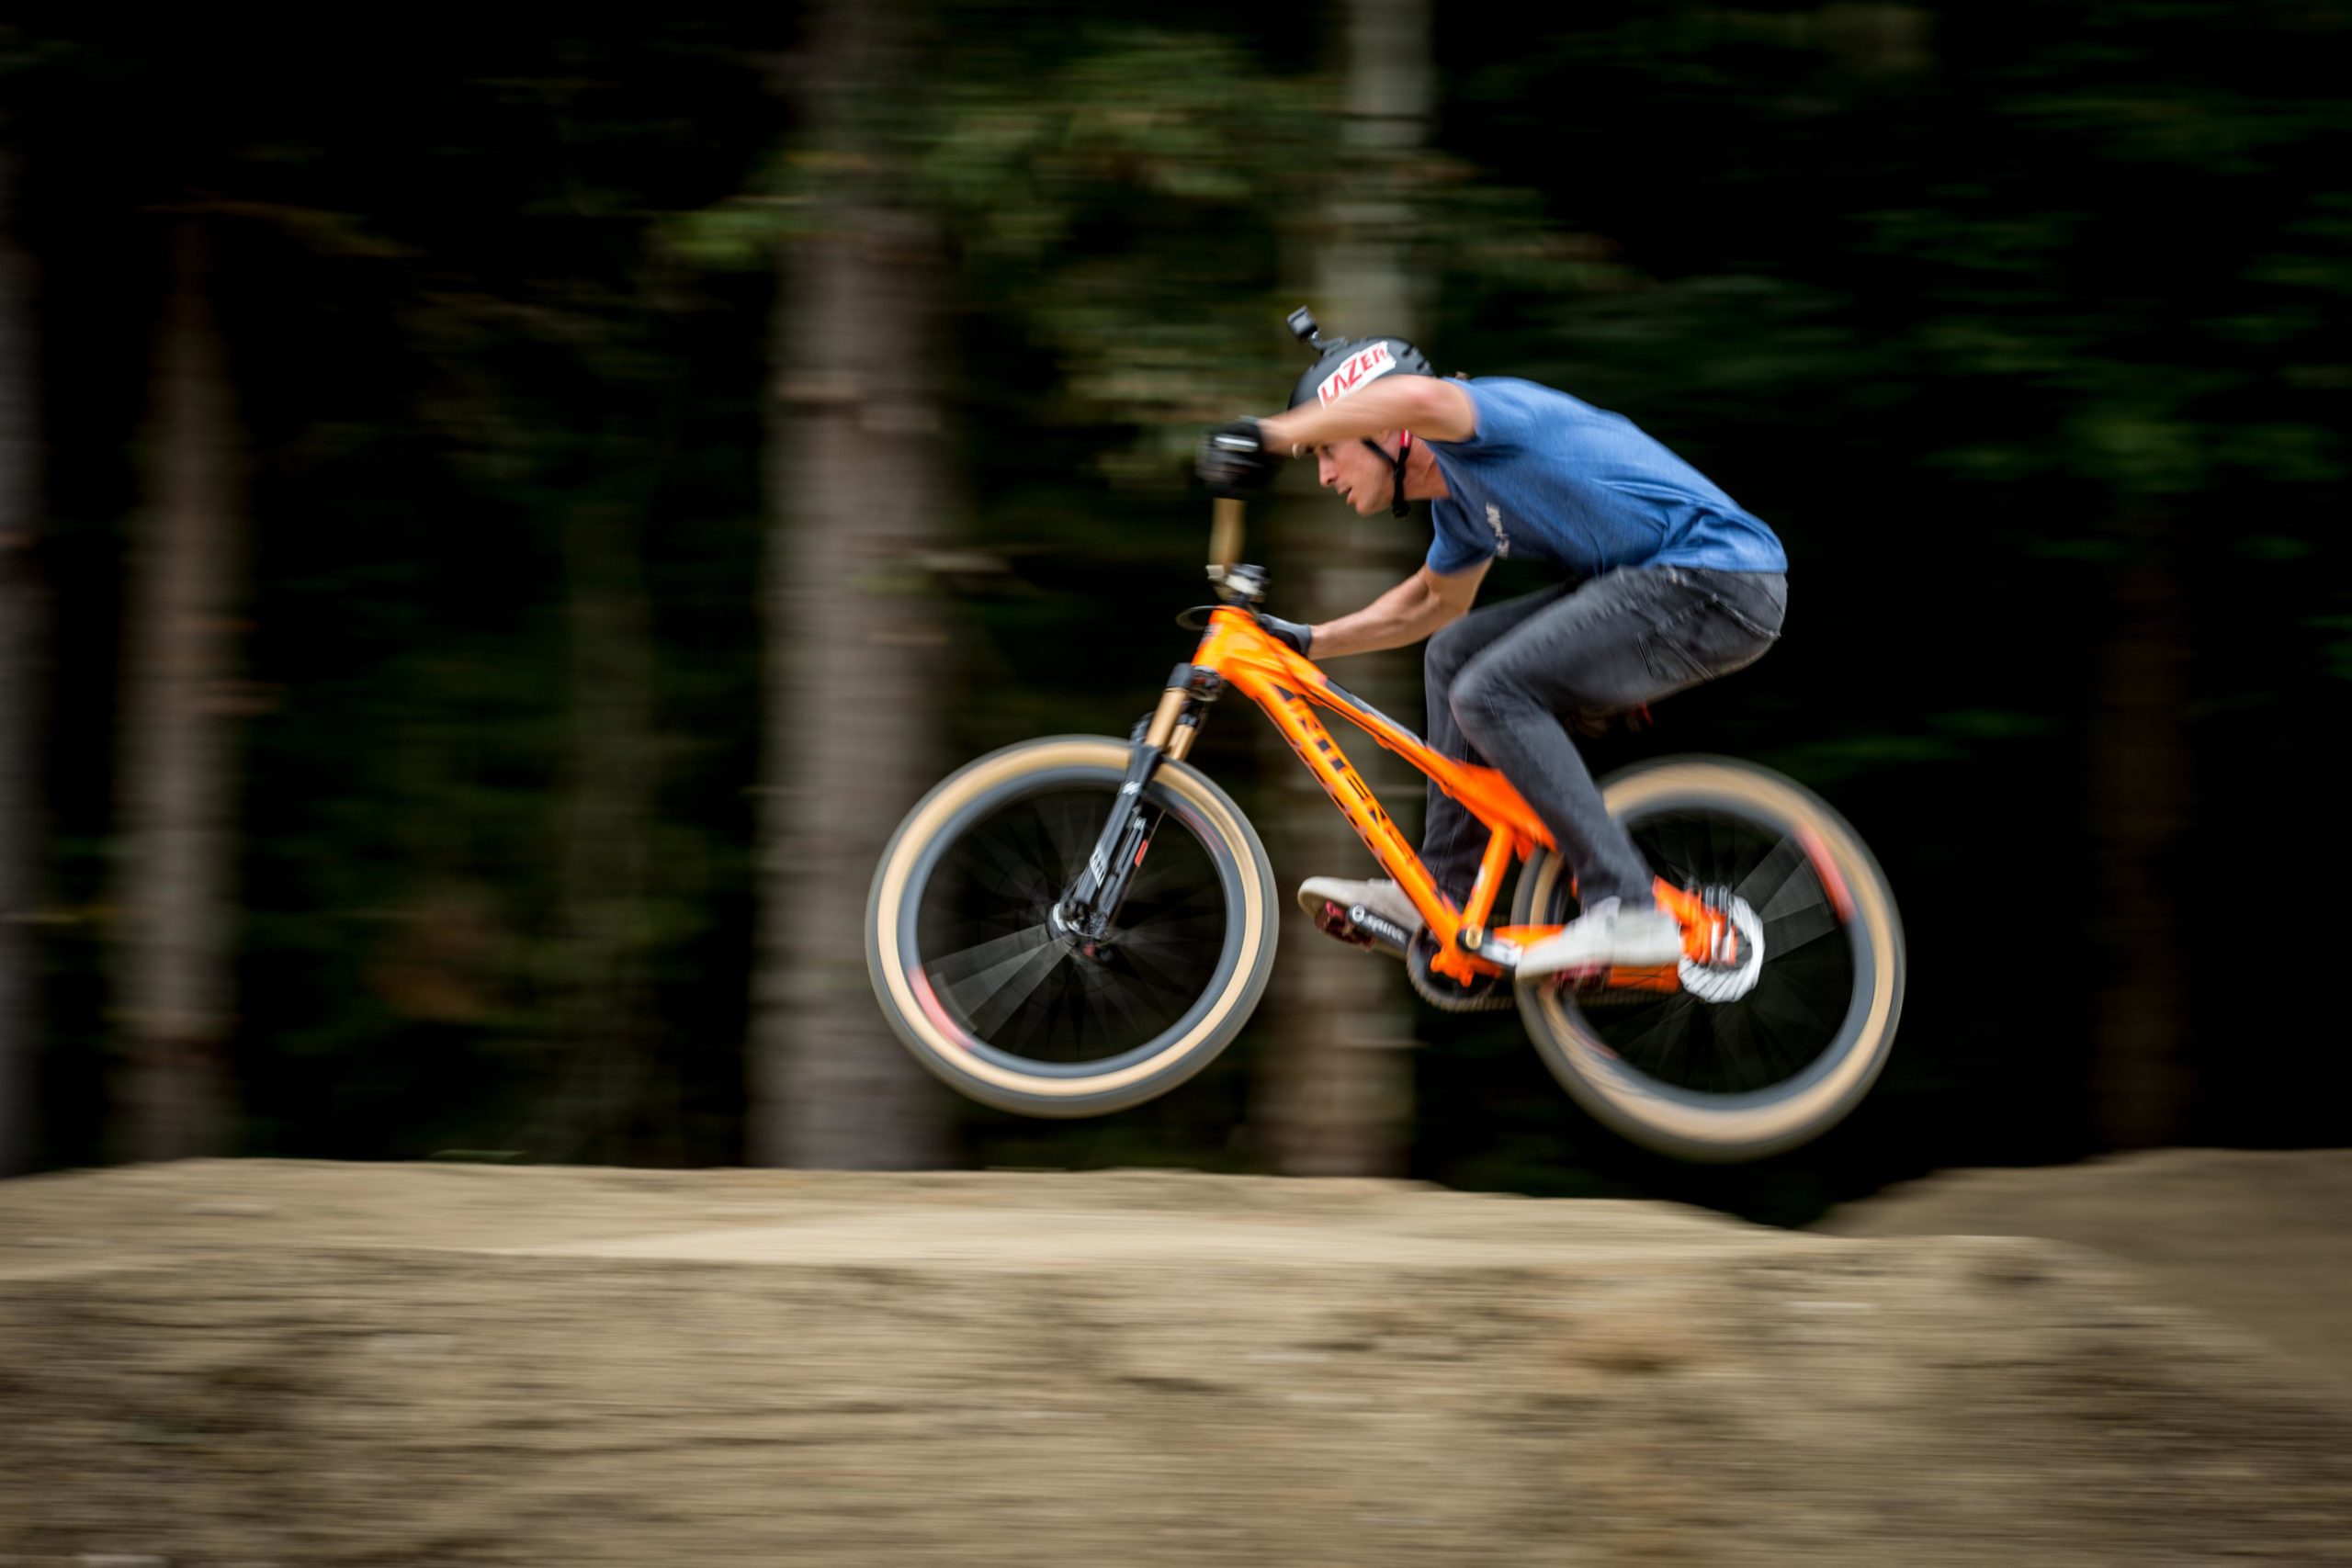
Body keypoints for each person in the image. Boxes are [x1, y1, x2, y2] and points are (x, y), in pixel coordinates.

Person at [1195, 313, 1788, 982]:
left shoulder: (1486, 418)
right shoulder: (1461, 502)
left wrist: (1268, 435)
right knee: (1453, 654)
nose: (1326, 474)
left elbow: (1420, 398)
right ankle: (1439, 892)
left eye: (1329, 447)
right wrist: (1310, 641)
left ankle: (1627, 905)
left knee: (1490, 690)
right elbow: (1433, 602)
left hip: (1717, 579)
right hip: (1664, 587)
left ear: (1388, 431)